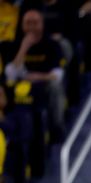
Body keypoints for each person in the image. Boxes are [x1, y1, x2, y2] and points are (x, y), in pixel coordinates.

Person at [4, 9, 66, 140]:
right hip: (20, 86)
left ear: (42, 24)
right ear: (22, 25)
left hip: (44, 85)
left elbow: (58, 75)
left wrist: (36, 77)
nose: (31, 27)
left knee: (56, 87)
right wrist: (23, 48)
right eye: (28, 23)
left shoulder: (52, 45)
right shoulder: (14, 45)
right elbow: (10, 74)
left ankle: (56, 130)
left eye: (35, 23)